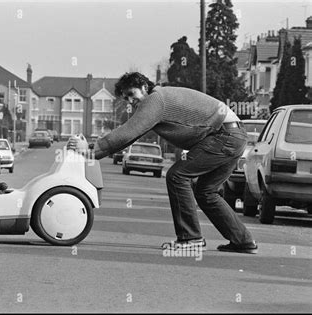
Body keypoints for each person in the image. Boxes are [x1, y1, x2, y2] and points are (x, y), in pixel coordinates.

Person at [68, 72, 258, 254]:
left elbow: (128, 131)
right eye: (126, 98)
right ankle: (243, 240)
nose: (130, 101)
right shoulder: (157, 100)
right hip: (234, 136)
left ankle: (191, 239)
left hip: (224, 136)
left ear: (144, 87)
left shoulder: (155, 99)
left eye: (131, 95)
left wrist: (91, 149)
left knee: (177, 176)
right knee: (205, 192)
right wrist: (94, 151)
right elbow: (132, 136)